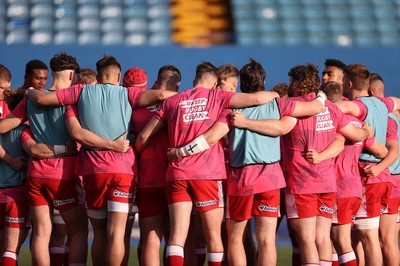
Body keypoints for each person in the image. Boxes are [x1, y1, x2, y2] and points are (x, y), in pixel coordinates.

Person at [135, 61, 296, 266]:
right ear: (215, 84)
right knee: (214, 238)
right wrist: (275, 95)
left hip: (176, 174)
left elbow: (143, 137)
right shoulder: (218, 97)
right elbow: (255, 98)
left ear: (194, 80)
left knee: (177, 238)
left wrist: (138, 159)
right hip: (207, 175)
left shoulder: (173, 101)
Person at [25, 54, 177, 266]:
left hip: (92, 169)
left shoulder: (80, 91)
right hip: (122, 169)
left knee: (98, 232)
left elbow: (42, 99)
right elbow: (161, 94)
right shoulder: (128, 93)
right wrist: (193, 96)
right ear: (118, 76)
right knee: (116, 232)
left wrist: (30, 91)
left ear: (97, 75)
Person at [0, 52, 89, 266]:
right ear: (71, 76)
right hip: (62, 175)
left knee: (41, 232)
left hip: (35, 175)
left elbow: (4, 126)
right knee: (78, 231)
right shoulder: (74, 97)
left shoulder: (30, 101)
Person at [282, 64, 372, 266]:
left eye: (290, 81)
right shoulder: (331, 108)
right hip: (327, 184)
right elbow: (354, 136)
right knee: (323, 239)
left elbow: (279, 127)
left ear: (297, 84)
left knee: (307, 240)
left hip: (302, 183)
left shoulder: (291, 106)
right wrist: (368, 132)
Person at [335, 64, 400, 266]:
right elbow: (396, 101)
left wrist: (315, 104)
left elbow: (341, 108)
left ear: (350, 83)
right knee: (368, 238)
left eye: (343, 82)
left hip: (368, 174)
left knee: (369, 238)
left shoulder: (360, 106)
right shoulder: (383, 105)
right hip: (381, 177)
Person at [318, 81, 389, 266]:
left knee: (339, 240)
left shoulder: (331, 122)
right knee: (337, 239)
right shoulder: (358, 124)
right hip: (355, 188)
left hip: (338, 187)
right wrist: (366, 133)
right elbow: (382, 151)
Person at [131, 65, 181, 266]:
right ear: (176, 85)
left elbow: (134, 140)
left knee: (151, 238)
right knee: (177, 238)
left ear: (156, 81)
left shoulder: (137, 108)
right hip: (175, 178)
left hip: (147, 179)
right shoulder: (180, 105)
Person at [367, 73, 400, 266]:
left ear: (370, 92)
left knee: (383, 240)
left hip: (391, 180)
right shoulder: (393, 115)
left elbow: (393, 150)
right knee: (388, 240)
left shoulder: (384, 116)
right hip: (395, 180)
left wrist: (379, 168)